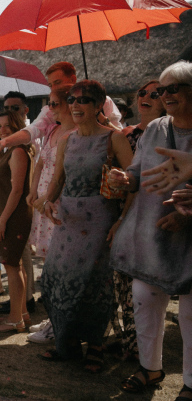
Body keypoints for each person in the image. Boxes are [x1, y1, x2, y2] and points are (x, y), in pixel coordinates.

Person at [109, 61, 192, 400]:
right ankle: (150, 368)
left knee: (190, 313)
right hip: (151, 234)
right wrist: (126, 180)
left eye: (173, 88)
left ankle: (190, 382)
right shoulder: (156, 128)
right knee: (145, 300)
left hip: (190, 238)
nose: (164, 95)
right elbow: (138, 171)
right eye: (161, 90)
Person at [40, 80, 132, 373]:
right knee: (56, 278)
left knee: (93, 283)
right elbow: (58, 180)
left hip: (99, 220)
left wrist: (120, 221)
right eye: (72, 99)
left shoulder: (114, 139)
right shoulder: (67, 139)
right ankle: (66, 344)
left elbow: (135, 184)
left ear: (98, 106)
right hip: (67, 218)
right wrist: (47, 202)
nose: (76, 105)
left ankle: (96, 346)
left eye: (84, 100)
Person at [106, 80, 165, 359]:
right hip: (117, 211)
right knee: (120, 282)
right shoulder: (125, 134)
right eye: (142, 92)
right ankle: (127, 339)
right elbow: (130, 178)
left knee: (145, 286)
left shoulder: (172, 135)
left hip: (152, 214)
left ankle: (143, 347)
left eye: (155, 94)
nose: (146, 97)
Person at [25, 84, 75, 345]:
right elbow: (41, 162)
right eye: (49, 103)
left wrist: (48, 199)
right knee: (49, 266)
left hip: (60, 204)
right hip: (43, 203)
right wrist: (33, 192)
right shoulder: (54, 129)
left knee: (60, 268)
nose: (49, 108)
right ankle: (52, 319)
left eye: (54, 103)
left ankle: (59, 324)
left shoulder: (76, 133)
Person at [0, 62, 123, 157]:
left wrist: (98, 117)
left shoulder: (104, 102)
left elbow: (120, 137)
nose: (53, 88)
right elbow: (33, 130)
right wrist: (5, 141)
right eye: (50, 85)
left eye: (58, 83)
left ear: (73, 79)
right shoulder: (50, 109)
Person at [0, 110, 32, 333]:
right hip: (9, 213)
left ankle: (15, 320)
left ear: (17, 127)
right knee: (16, 266)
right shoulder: (9, 151)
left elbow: (17, 190)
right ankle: (22, 313)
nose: (2, 130)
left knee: (12, 267)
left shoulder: (18, 152)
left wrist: (2, 221)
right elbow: (5, 179)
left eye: (7, 126)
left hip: (13, 216)